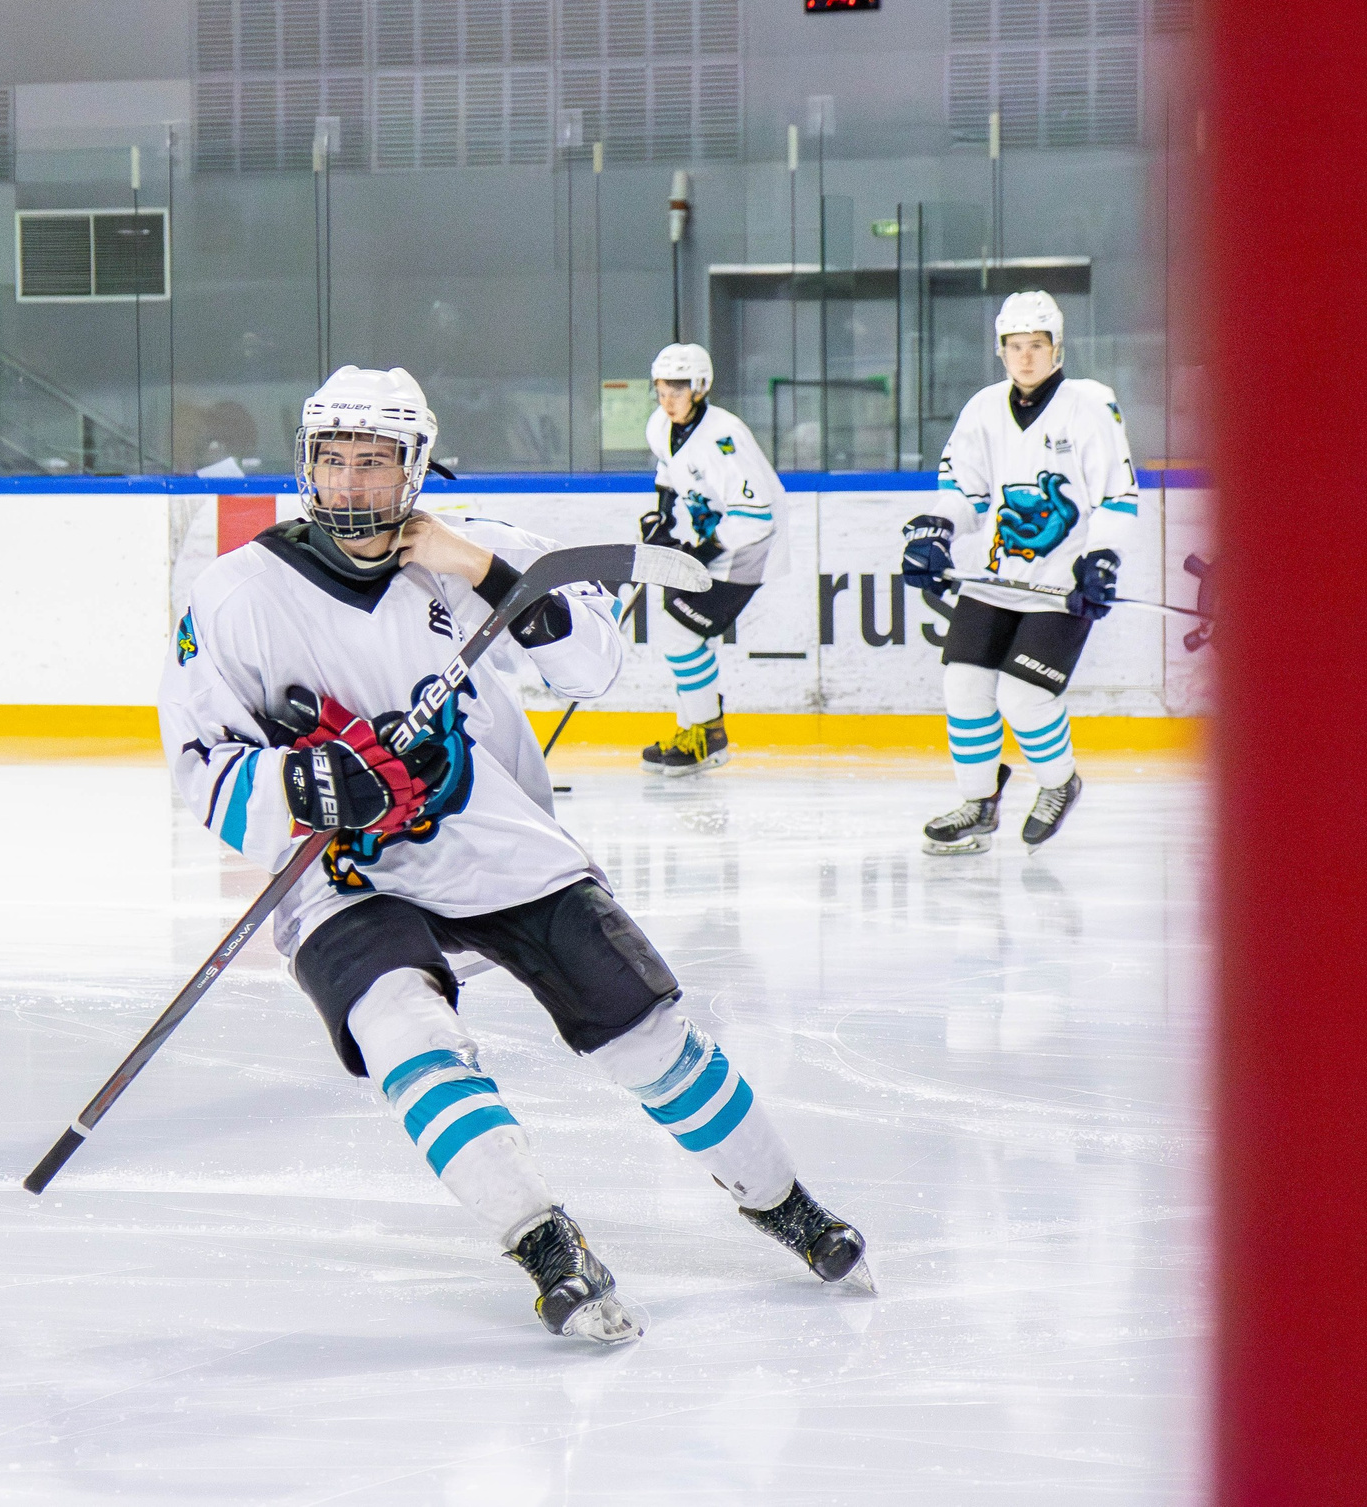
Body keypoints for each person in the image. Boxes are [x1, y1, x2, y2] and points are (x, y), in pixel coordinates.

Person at [161, 364, 869, 1346]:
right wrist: (303, 787)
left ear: (415, 466)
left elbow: (593, 665)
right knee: (404, 1028)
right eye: (333, 460)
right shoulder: (236, 594)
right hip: (344, 876)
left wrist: (481, 572)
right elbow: (200, 764)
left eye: (376, 461)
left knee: (649, 1035)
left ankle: (782, 1201)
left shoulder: (479, 549)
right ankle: (547, 1248)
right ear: (306, 466)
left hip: (497, 844)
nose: (353, 483)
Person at [899, 290, 1137, 852]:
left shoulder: (1089, 405)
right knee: (964, 687)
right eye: (1014, 346)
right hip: (995, 579)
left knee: (1024, 698)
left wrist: (1100, 558)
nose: (1025, 356)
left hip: (1059, 586)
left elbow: (1117, 496)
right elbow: (967, 495)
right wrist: (938, 530)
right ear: (1000, 350)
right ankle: (979, 802)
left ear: (1057, 349)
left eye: (1037, 345)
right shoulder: (983, 409)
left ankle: (1059, 783)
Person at [636, 342, 788, 775]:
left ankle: (708, 737)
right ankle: (695, 731)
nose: (668, 399)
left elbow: (756, 516)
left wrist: (701, 550)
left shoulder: (725, 438)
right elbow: (668, 470)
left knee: (680, 632)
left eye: (678, 389)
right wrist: (661, 517)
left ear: (699, 388)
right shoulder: (659, 425)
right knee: (678, 626)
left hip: (752, 547)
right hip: (717, 541)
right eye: (662, 389)